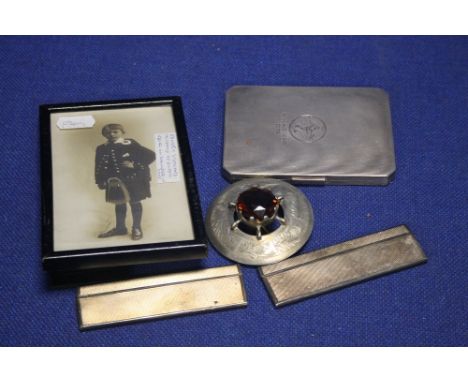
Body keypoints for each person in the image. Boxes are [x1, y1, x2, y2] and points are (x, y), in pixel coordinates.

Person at [95, 123, 156, 240]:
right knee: (119, 203)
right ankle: (120, 228)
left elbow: (151, 155)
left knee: (135, 203)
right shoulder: (101, 148)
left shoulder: (130, 143)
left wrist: (134, 164)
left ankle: (137, 227)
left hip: (133, 179)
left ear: (122, 132)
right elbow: (98, 166)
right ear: (104, 135)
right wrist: (100, 180)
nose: (111, 134)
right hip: (115, 181)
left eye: (115, 132)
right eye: (108, 133)